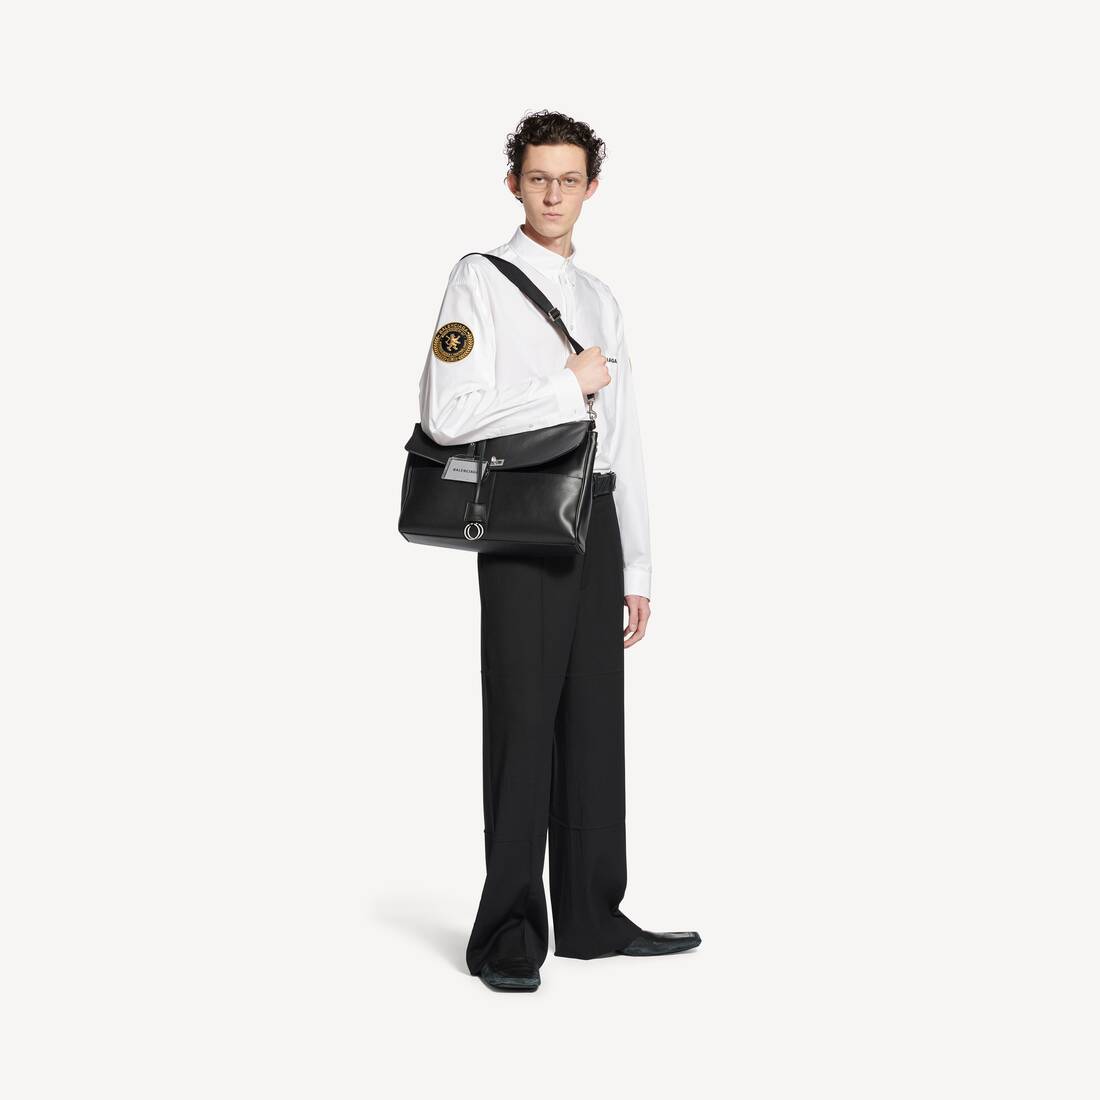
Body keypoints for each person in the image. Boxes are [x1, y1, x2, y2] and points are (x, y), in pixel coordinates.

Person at [418, 109, 701, 992]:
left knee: (593, 726)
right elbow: (447, 413)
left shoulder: (602, 298)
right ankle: (507, 931)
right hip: (525, 519)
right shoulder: (478, 279)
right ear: (514, 183)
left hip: (599, 519)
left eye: (568, 180)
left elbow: (625, 436)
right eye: (538, 178)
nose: (552, 194)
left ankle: (590, 916)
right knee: (523, 723)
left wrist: (639, 565)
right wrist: (560, 386)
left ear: (591, 188)